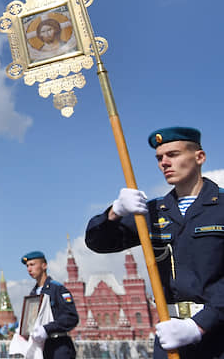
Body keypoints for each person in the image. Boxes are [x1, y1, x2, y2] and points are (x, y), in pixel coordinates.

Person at [85, 127, 224, 358]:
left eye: (173, 154)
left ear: (200, 157)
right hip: (170, 338)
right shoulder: (152, 213)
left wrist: (199, 325)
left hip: (218, 334)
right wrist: (114, 213)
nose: (164, 163)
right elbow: (98, 242)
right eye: (160, 158)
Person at [21, 251, 78, 358]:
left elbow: (71, 317)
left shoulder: (57, 289)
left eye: (32, 265)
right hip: (40, 348)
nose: (29, 269)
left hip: (58, 345)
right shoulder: (33, 294)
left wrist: (47, 329)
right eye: (27, 266)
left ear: (44, 265)